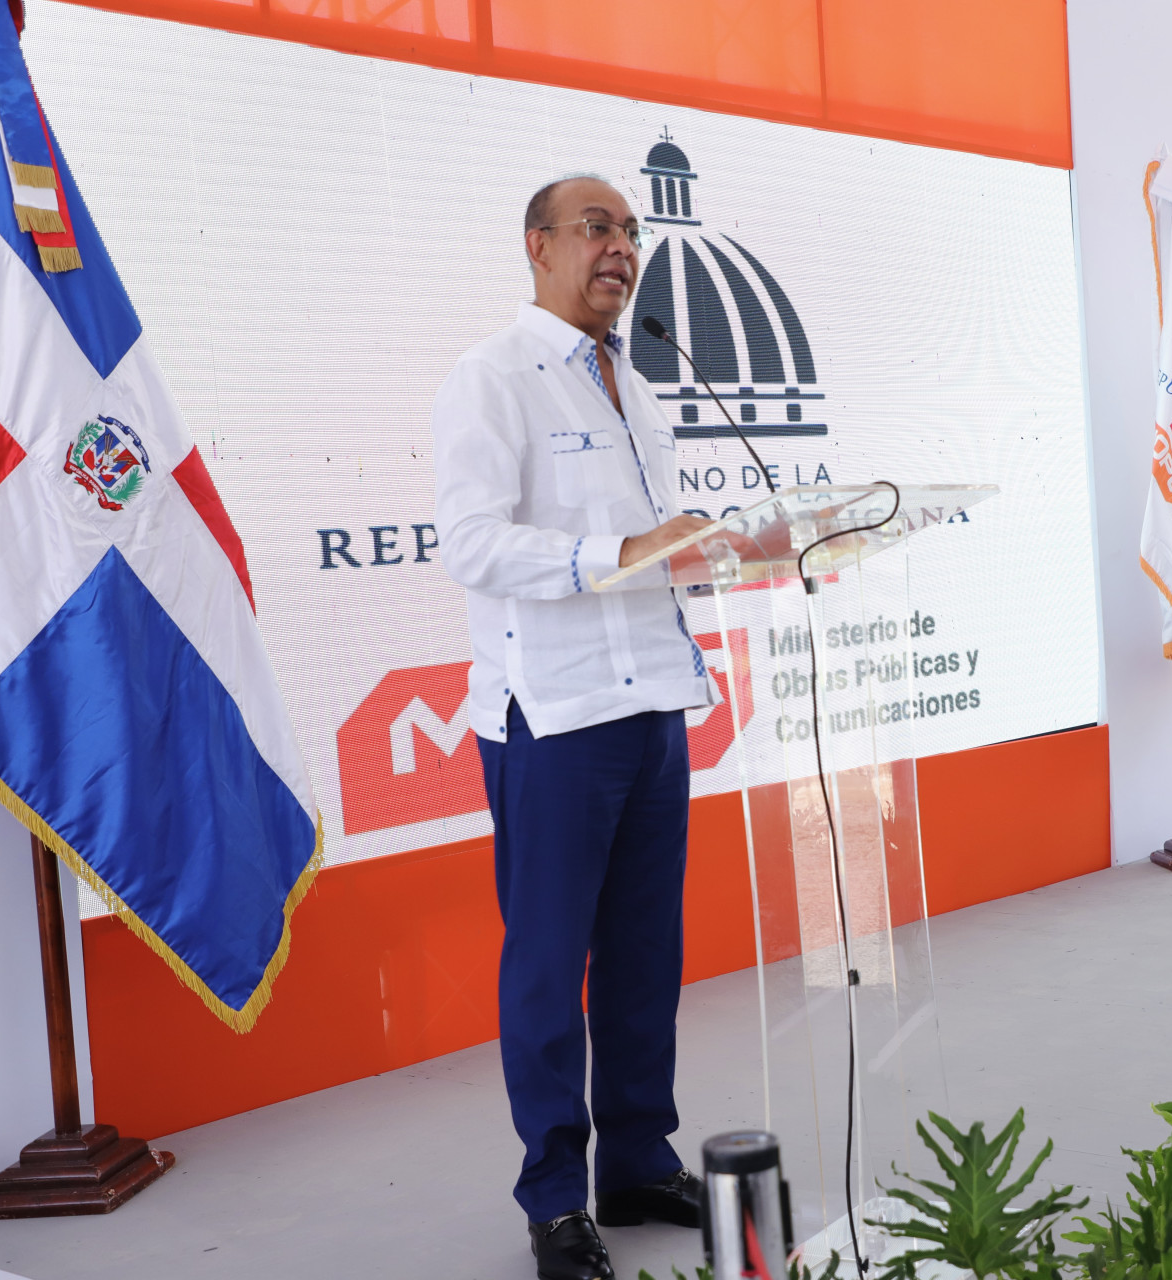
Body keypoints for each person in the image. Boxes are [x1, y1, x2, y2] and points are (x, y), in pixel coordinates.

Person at [431, 174, 716, 1280]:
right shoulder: (493, 376)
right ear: (538, 245)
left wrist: (706, 546)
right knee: (551, 968)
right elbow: (470, 542)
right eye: (597, 228)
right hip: (551, 717)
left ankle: (638, 1160)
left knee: (646, 955)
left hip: (650, 703)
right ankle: (555, 1198)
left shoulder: (633, 382)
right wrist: (620, 554)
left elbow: (653, 542)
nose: (620, 249)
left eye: (631, 232)